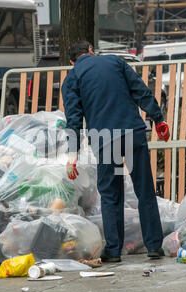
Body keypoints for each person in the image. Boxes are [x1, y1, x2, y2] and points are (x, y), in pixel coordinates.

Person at [61, 41, 170, 262]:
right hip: (132, 132)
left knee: (110, 194)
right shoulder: (114, 61)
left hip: (105, 140)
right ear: (91, 50)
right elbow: (141, 91)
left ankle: (113, 250)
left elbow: (73, 119)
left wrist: (72, 155)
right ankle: (154, 246)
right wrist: (158, 118)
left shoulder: (73, 78)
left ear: (72, 61)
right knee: (144, 189)